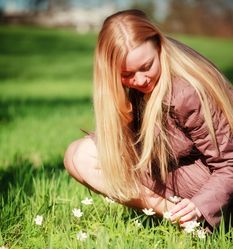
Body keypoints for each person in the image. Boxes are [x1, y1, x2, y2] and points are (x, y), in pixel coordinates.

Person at [64, 9, 233, 230]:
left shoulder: (186, 91)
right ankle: (178, 216)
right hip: (172, 172)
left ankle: (195, 218)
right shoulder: (128, 89)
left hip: (217, 187)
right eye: (126, 74)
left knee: (83, 156)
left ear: (159, 46)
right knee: (79, 155)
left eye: (147, 67)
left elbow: (229, 163)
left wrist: (200, 205)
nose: (140, 80)